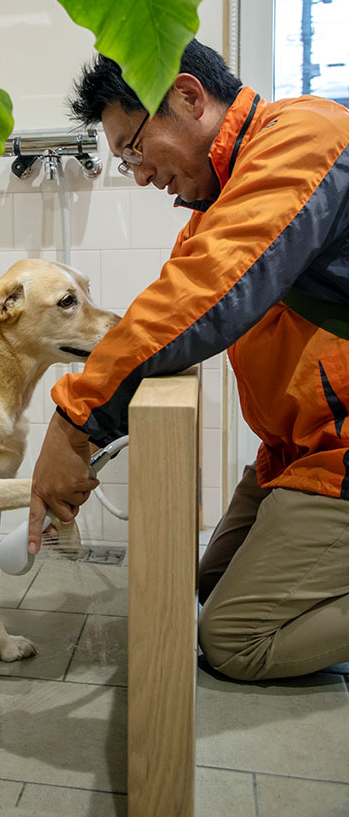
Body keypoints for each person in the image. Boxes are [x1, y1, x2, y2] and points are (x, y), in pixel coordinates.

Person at [28, 39, 349, 681]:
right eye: (127, 161)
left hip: (339, 454)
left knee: (235, 640)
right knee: (208, 583)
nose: (142, 175)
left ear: (188, 96)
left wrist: (75, 421)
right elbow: (168, 303)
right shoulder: (215, 209)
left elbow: (202, 298)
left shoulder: (305, 139)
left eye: (135, 150)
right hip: (298, 450)